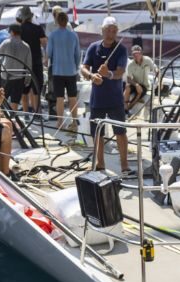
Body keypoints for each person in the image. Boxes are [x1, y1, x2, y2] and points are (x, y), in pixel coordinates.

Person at [81, 16, 133, 176]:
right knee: (97, 132)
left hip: (115, 99)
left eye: (114, 31)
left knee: (120, 132)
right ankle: (100, 164)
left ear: (117, 32)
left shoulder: (121, 49)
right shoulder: (93, 47)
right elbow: (83, 67)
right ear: (102, 31)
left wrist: (107, 74)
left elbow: (120, 72)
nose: (111, 34)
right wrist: (92, 76)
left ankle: (124, 166)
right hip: (97, 99)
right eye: (108, 30)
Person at [46, 11, 81, 132]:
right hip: (71, 71)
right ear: (67, 21)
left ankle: (60, 122)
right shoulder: (73, 35)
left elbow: (48, 53)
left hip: (57, 71)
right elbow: (78, 54)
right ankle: (74, 121)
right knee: (73, 97)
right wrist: (76, 67)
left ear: (57, 21)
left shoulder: (53, 35)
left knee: (59, 98)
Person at [17, 5, 47, 114]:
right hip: (36, 61)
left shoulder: (18, 29)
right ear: (31, 17)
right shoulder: (38, 28)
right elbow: (44, 43)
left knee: (24, 90)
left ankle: (25, 114)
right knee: (36, 89)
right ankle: (37, 113)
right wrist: (46, 57)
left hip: (23, 62)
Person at [0, 24, 33, 111]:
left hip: (6, 76)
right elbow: (29, 65)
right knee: (15, 101)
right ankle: (13, 121)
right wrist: (27, 80)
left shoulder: (6, 43)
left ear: (12, 32)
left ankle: (1, 119)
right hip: (19, 77)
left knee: (1, 101)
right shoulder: (26, 46)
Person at [123, 45, 157, 112]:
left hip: (144, 85)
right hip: (135, 83)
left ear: (141, 53)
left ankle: (128, 108)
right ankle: (125, 105)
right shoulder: (131, 65)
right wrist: (136, 85)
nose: (136, 55)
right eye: (134, 54)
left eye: (138, 53)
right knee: (127, 87)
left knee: (139, 92)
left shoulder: (147, 60)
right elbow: (128, 78)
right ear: (132, 54)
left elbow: (156, 69)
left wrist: (160, 82)